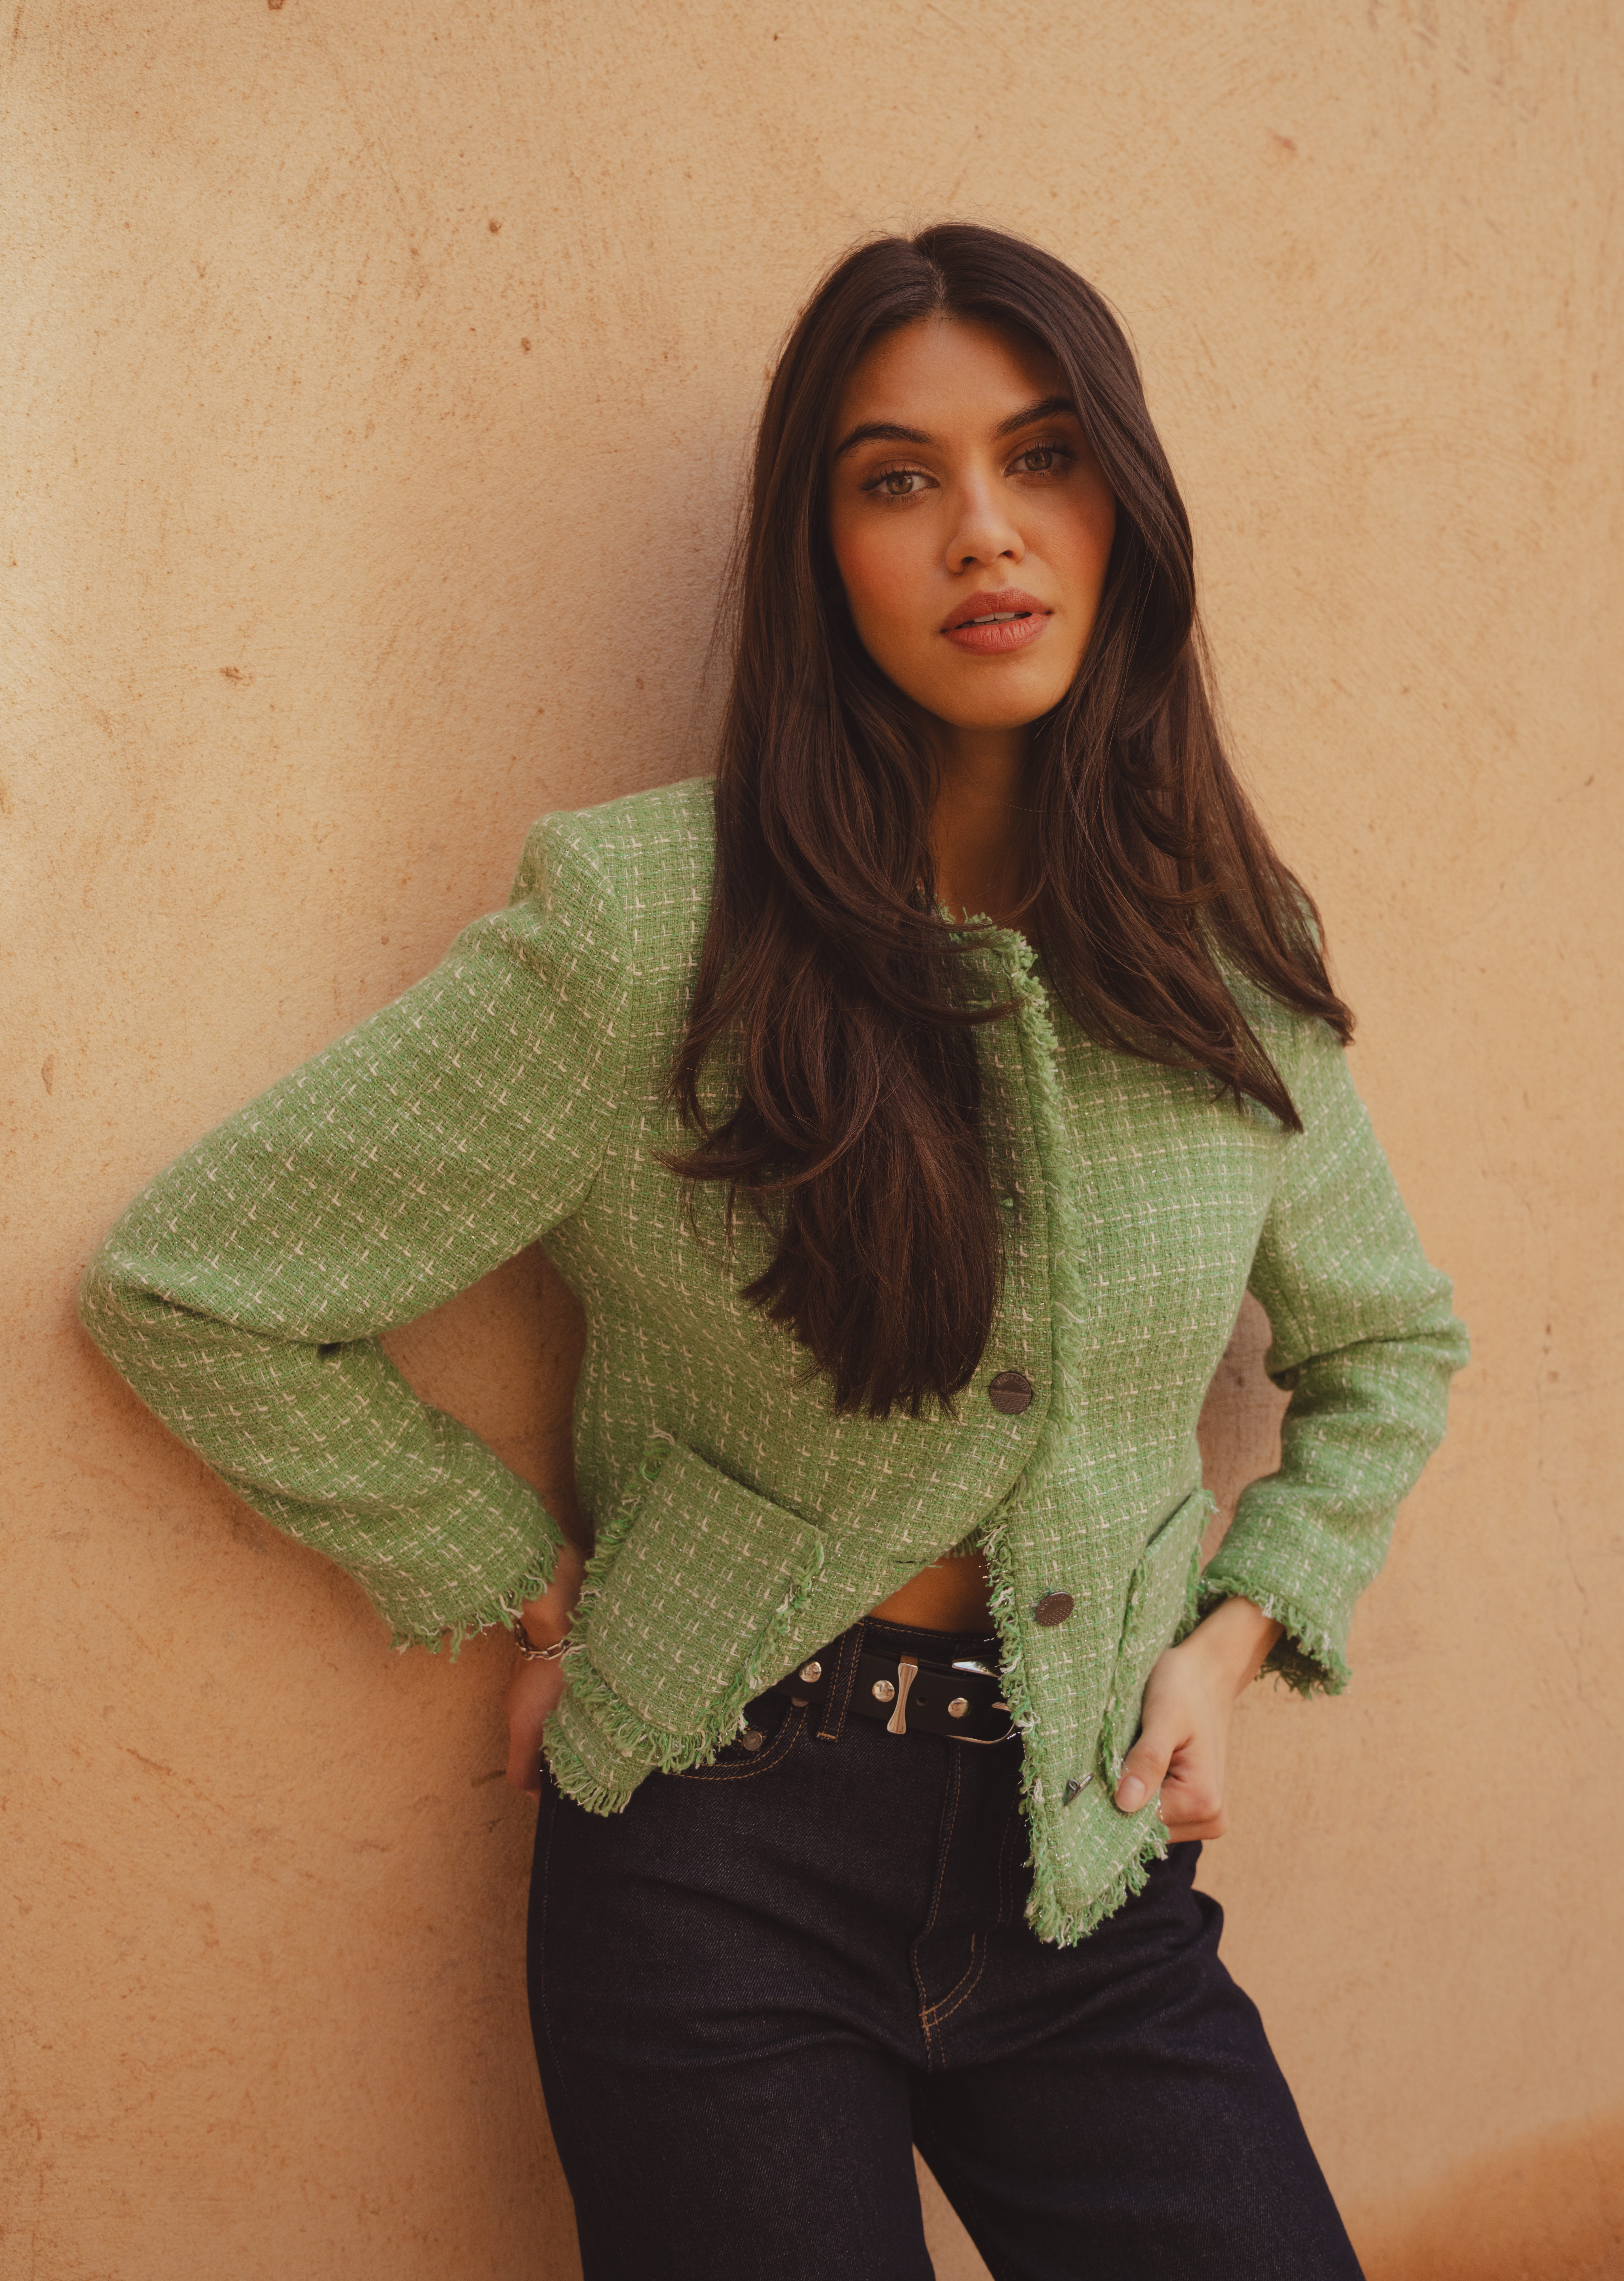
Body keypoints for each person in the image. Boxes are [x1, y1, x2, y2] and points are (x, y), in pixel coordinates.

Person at [81, 224, 1467, 2280]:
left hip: (1090, 1868)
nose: (983, 534)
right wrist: (496, 1573)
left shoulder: (1225, 955)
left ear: (1127, 508)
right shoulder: (651, 923)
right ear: (821, 552)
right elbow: (194, 1283)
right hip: (715, 1865)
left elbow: (1389, 1352)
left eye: (1045, 456)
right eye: (897, 479)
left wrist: (1234, 1637)